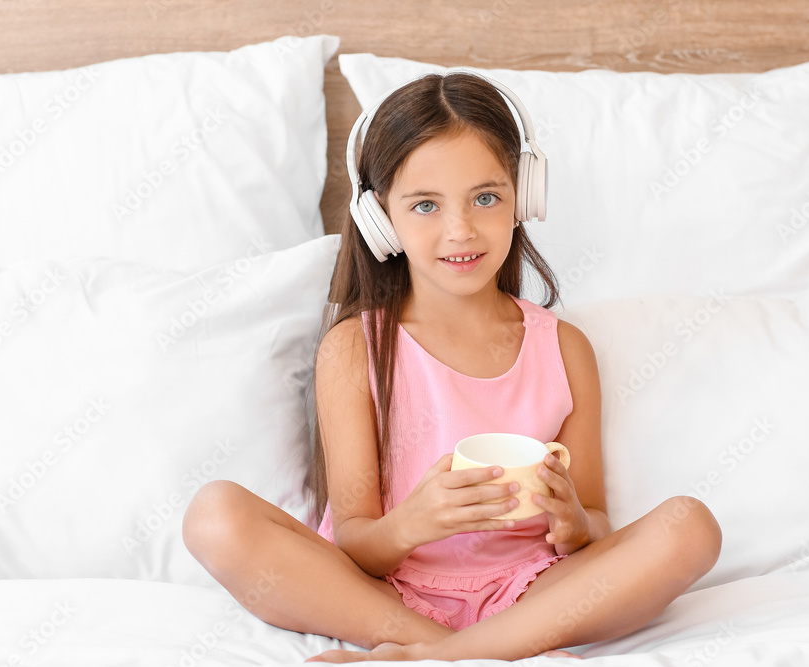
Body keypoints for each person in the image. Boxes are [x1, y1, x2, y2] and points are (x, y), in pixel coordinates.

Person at [182, 70, 722, 662]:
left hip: (532, 592)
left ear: (524, 196)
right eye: (424, 206)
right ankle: (473, 650)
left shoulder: (564, 348)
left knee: (689, 527)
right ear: (380, 218)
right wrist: (414, 521)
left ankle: (425, 657)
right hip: (387, 593)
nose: (460, 230)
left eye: (485, 197)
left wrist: (573, 524)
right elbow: (357, 544)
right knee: (215, 516)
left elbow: (594, 523)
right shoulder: (355, 349)